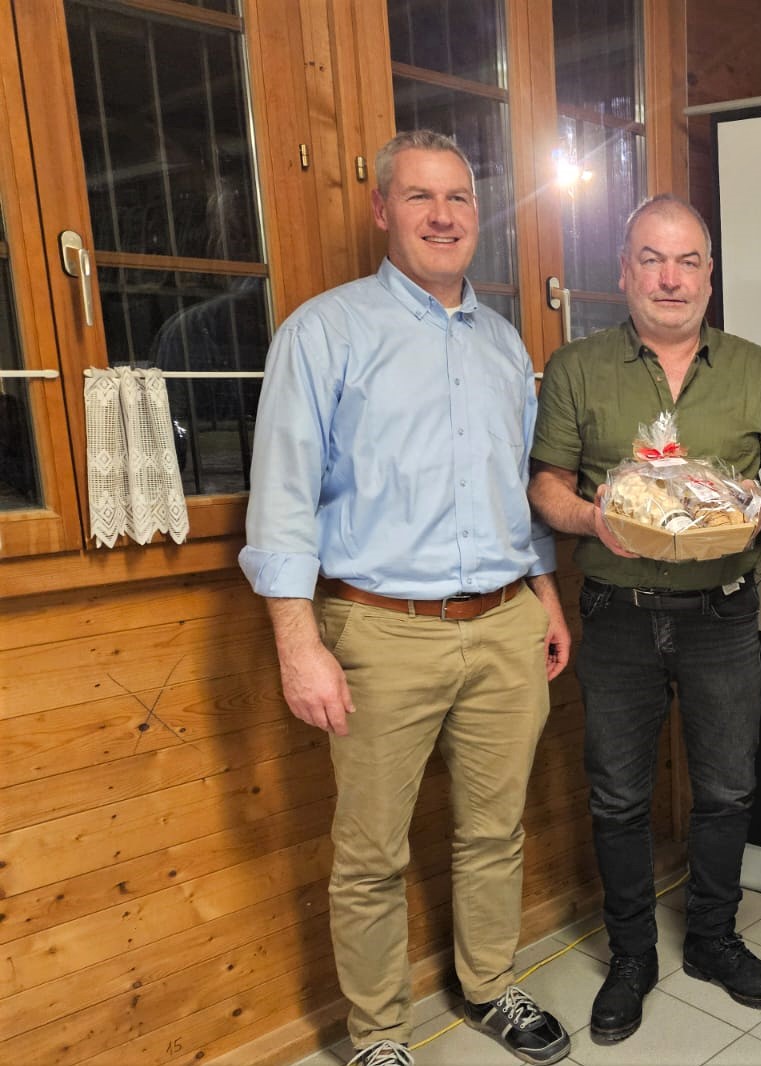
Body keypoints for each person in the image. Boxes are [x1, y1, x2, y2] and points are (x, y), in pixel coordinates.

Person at [240, 130, 572, 1066]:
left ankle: (491, 986)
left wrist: (545, 594)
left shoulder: (503, 344)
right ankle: (380, 1034)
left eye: (459, 197)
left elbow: (515, 490)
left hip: (505, 624)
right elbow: (281, 499)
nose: (443, 216)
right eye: (420, 197)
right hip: (379, 631)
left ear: (478, 213)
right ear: (384, 209)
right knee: (371, 853)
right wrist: (297, 644)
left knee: (495, 831)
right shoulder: (324, 332)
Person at [528, 194, 761, 1044]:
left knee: (726, 789)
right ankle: (631, 956)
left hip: (723, 613)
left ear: (710, 276)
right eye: (652, 259)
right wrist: (594, 518)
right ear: (624, 272)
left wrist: (752, 513)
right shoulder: (578, 367)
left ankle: (714, 941)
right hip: (616, 615)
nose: (671, 278)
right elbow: (547, 486)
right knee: (618, 795)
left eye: (688, 261)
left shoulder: (754, 368)